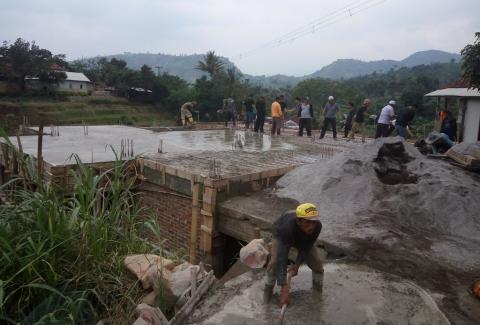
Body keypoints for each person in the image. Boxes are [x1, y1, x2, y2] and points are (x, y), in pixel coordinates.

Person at [264, 203, 325, 305]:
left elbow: (306, 247)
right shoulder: (286, 228)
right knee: (275, 263)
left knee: (317, 264)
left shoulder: (317, 226)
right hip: (281, 236)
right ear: (298, 221)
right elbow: (282, 257)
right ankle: (267, 294)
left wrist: (296, 265)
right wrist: (284, 288)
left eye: (313, 222)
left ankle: (317, 294)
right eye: (307, 222)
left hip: (302, 238)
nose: (311, 226)